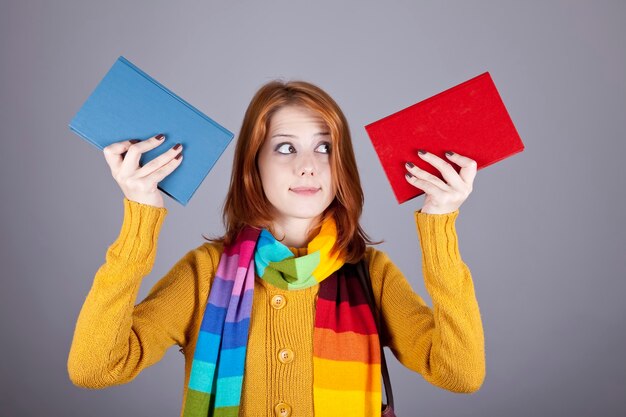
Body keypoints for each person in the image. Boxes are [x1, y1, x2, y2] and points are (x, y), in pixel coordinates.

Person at [67, 80, 485, 417]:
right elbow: (95, 367)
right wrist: (141, 217)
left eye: (325, 147)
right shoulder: (205, 274)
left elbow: (460, 373)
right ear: (255, 163)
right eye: (286, 147)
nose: (308, 165)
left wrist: (440, 223)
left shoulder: (370, 273)